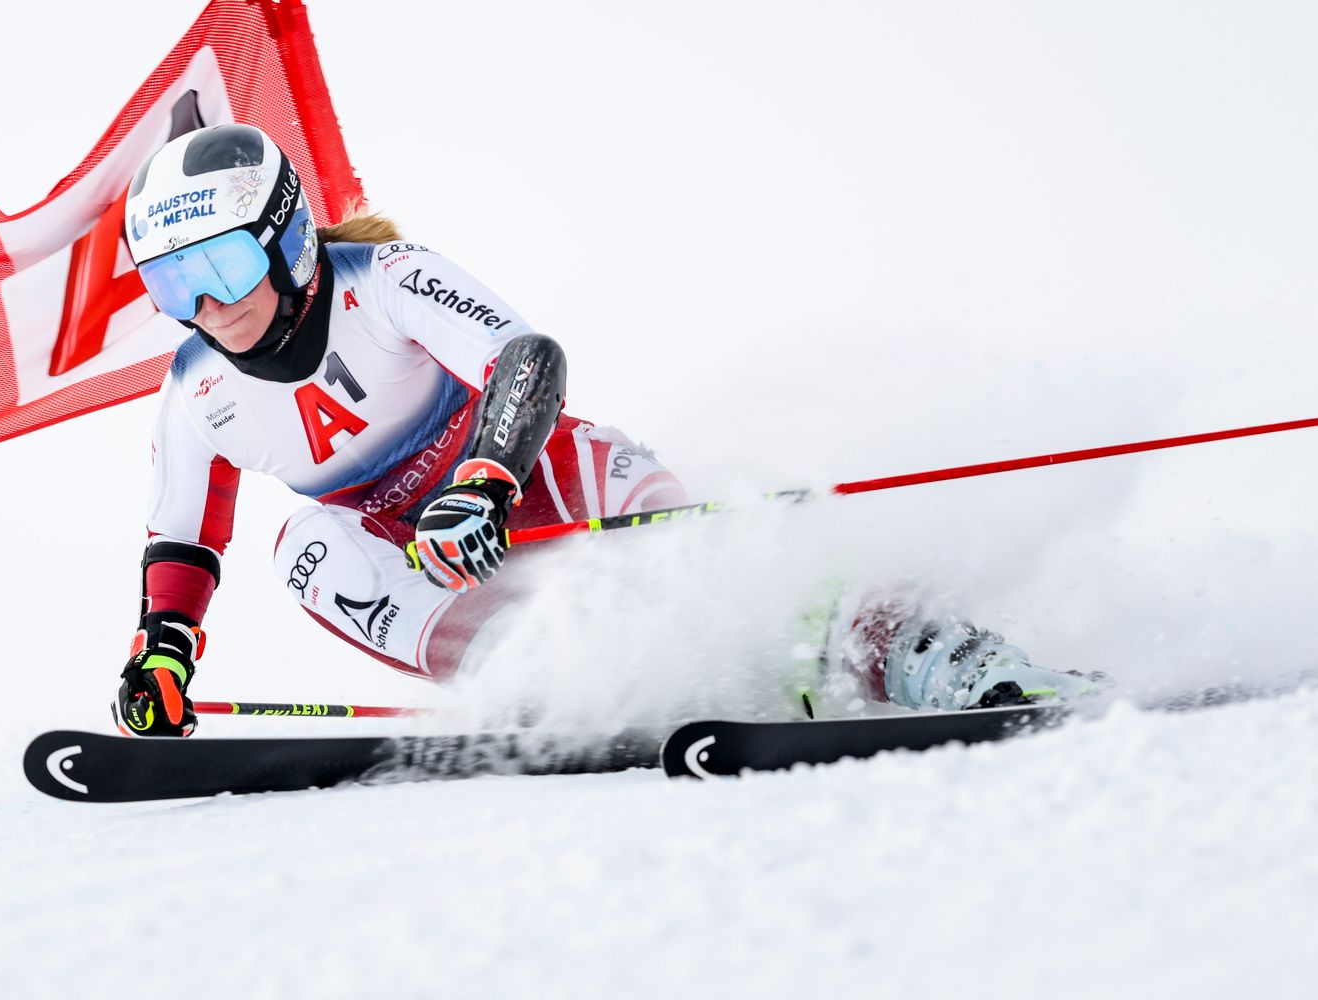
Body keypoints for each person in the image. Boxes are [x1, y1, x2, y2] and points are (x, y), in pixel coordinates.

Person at [114, 123, 1099, 737]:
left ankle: (950, 660)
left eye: (225, 270)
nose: (208, 305)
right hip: (434, 566)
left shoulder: (384, 279)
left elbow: (525, 358)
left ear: (287, 239)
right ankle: (535, 677)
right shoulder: (198, 390)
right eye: (173, 286)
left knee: (751, 579)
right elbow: (184, 535)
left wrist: (488, 477)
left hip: (554, 487)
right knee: (303, 543)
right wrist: (163, 648)